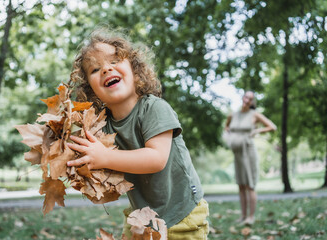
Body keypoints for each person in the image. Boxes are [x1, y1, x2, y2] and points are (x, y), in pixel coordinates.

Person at [67, 28, 209, 239]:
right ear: (91, 90)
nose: (106, 68)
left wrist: (105, 157)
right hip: (142, 218)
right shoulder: (101, 127)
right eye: (95, 69)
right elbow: (107, 177)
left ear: (135, 70)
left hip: (182, 213)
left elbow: (156, 158)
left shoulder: (154, 108)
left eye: (115, 60)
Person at [225, 90, 276, 225]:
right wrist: (229, 139)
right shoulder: (233, 115)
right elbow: (226, 127)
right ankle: (243, 216)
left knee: (250, 185)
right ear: (243, 98)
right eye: (246, 97)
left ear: (252, 102)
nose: (247, 100)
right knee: (241, 185)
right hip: (237, 154)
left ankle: (251, 217)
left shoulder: (254, 115)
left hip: (248, 152)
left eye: (250, 98)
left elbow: (272, 127)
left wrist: (257, 130)